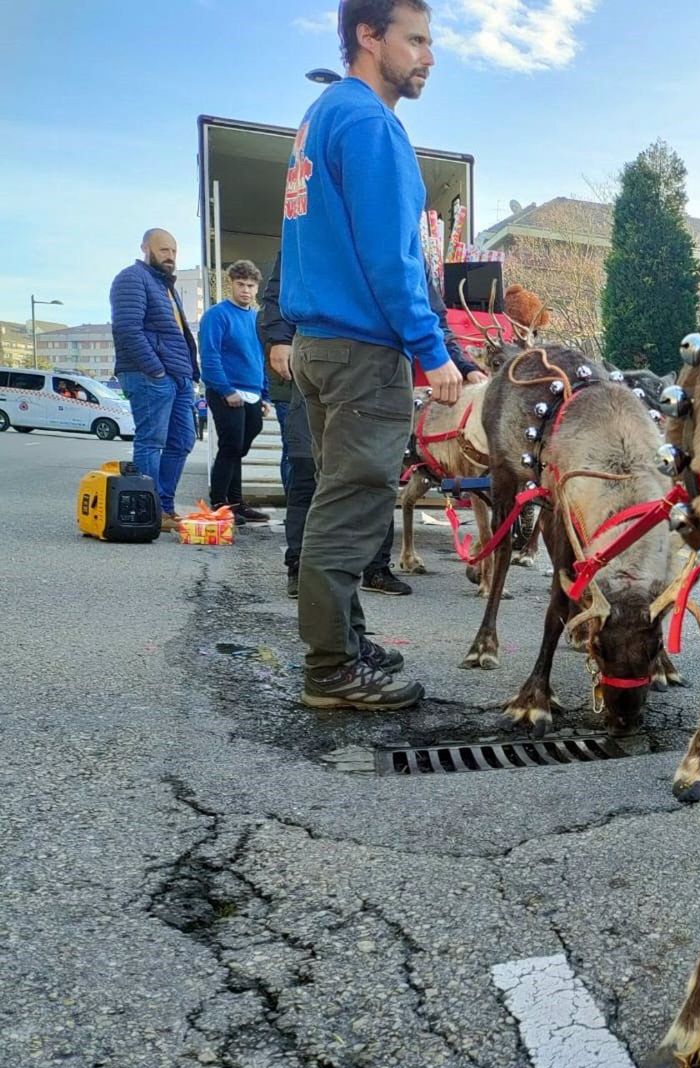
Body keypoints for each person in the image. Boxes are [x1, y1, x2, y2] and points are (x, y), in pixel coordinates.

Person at [280, 0, 461, 711]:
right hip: (361, 352)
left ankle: (346, 645)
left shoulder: (323, 114)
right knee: (351, 511)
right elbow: (393, 261)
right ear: (368, 36)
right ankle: (331, 671)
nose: (428, 55)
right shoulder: (371, 125)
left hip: (320, 345)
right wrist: (432, 351)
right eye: (415, 39)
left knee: (337, 501)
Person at [260, 252, 484, 599]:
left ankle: (373, 570)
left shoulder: (409, 251)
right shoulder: (321, 221)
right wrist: (278, 338)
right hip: (325, 359)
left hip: (380, 368)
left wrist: (464, 365)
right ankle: (303, 569)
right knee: (310, 471)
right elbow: (282, 286)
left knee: (378, 475)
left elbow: (431, 312)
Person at [111, 228, 199, 530]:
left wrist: (190, 373)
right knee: (151, 440)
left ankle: (164, 507)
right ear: (145, 248)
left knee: (183, 440)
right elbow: (127, 329)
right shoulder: (131, 278)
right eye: (163, 250)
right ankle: (152, 511)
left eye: (173, 251)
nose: (170, 256)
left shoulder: (165, 286)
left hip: (180, 376)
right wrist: (156, 370)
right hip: (151, 374)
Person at [198, 260, 272, 523]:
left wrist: (265, 394)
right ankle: (220, 504)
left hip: (253, 392)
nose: (245, 290)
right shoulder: (217, 315)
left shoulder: (256, 317)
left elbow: (261, 357)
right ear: (232, 284)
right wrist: (225, 389)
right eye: (240, 284)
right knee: (230, 446)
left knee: (239, 448)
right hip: (226, 391)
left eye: (250, 286)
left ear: (257, 287)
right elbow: (209, 356)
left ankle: (236, 503)